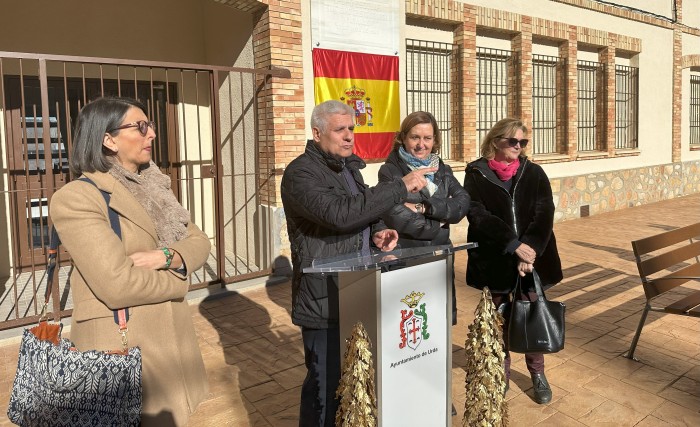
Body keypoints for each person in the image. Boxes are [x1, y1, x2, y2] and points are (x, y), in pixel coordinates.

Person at [50, 97, 211, 426]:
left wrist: (167, 256)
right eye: (140, 127)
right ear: (108, 139)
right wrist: (181, 276)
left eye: (150, 125)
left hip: (172, 344)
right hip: (123, 348)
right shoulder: (78, 197)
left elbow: (199, 241)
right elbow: (118, 285)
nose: (151, 133)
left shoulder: (155, 185)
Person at [281, 100, 434, 426]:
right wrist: (400, 186)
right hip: (325, 300)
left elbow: (363, 213)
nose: (349, 136)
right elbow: (339, 214)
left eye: (352, 129)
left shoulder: (349, 169)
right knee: (324, 391)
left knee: (354, 382)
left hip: (359, 290)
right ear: (317, 132)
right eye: (341, 130)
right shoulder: (300, 174)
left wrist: (379, 233)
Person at [463, 117, 562, 405]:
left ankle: (538, 374)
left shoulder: (534, 173)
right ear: (495, 141)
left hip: (530, 261)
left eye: (523, 142)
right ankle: (500, 373)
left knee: (532, 316)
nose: (518, 146)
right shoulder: (476, 173)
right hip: (495, 258)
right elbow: (478, 214)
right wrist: (513, 244)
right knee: (498, 320)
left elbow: (544, 213)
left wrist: (528, 251)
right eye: (512, 141)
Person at [378, 111, 470, 325]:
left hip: (440, 258)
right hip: (408, 258)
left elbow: (462, 202)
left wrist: (423, 207)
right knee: (410, 323)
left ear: (435, 140)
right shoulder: (390, 172)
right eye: (415, 137)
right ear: (403, 138)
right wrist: (439, 220)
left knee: (438, 322)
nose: (421, 144)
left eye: (427, 138)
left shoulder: (442, 169)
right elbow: (396, 214)